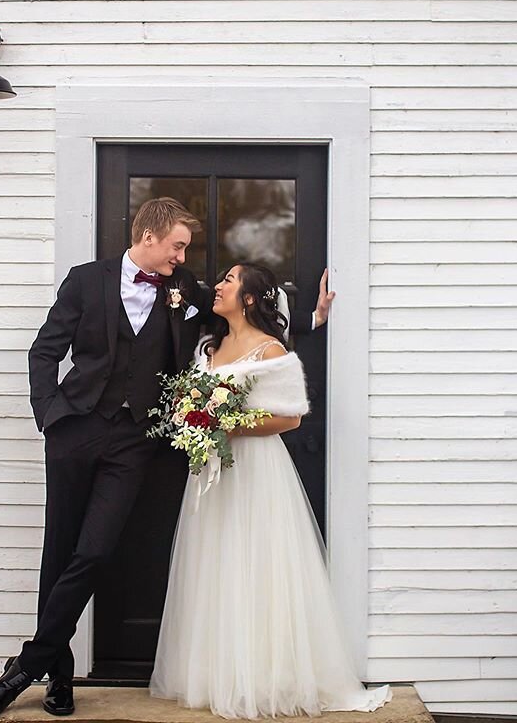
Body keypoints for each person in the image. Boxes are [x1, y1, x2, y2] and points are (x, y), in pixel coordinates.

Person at [0, 195, 332, 719]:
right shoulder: (84, 280)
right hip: (74, 432)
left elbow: (251, 331)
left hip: (134, 441)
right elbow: (45, 351)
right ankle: (59, 674)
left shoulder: (182, 290)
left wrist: (311, 319)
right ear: (150, 236)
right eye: (178, 246)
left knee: (95, 552)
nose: (183, 258)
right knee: (58, 552)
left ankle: (31, 659)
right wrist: (49, 415)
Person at [149, 263, 392, 719]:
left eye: (229, 280)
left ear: (249, 299)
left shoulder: (271, 350)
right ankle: (215, 673)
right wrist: (194, 419)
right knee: (214, 564)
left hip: (256, 472)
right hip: (210, 474)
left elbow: (291, 418)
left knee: (257, 564)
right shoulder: (209, 346)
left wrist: (229, 425)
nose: (217, 285)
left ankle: (265, 676)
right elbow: (193, 404)